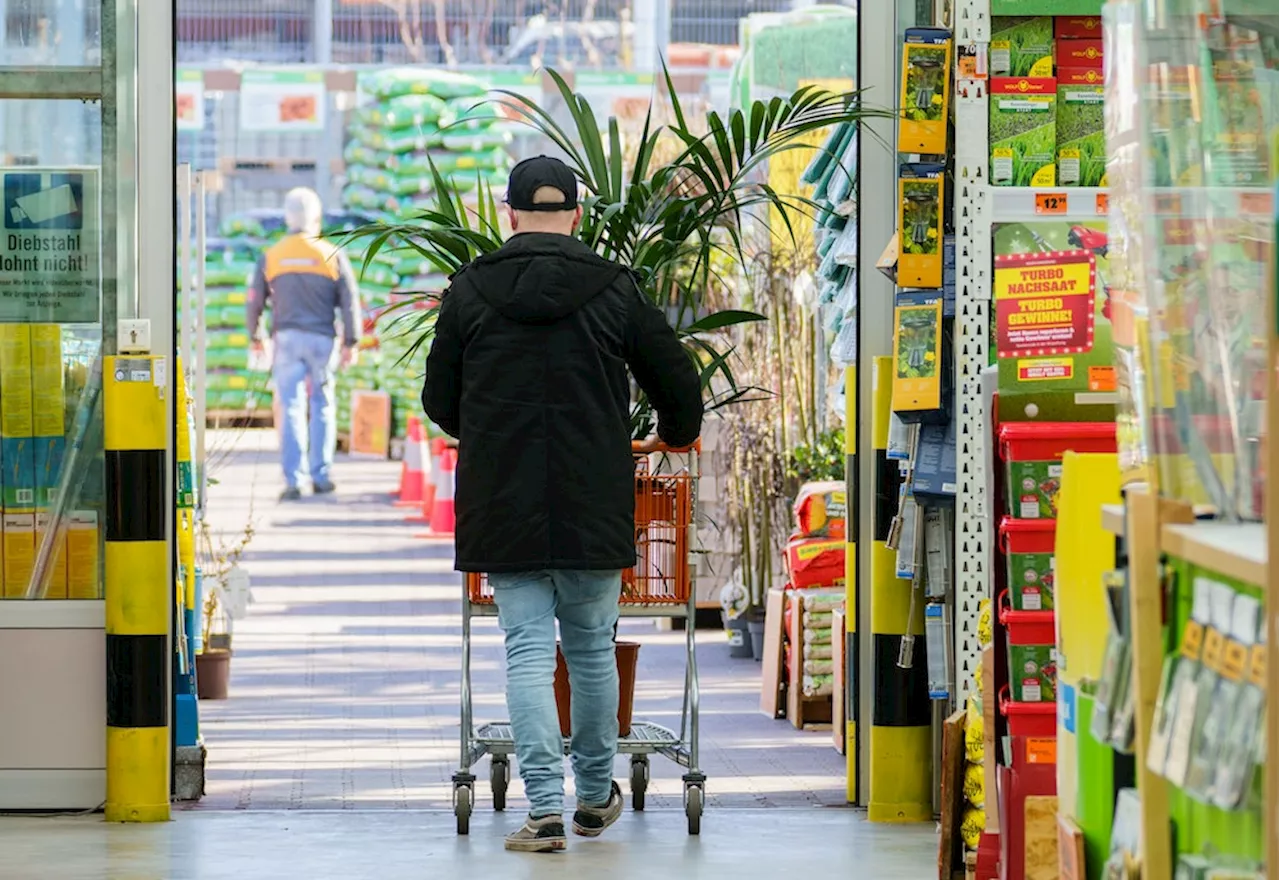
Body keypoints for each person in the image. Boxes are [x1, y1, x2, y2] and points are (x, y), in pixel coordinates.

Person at [423, 155, 703, 853]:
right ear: (577, 215)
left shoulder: (470, 290)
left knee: (524, 651)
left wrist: (483, 431)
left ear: (509, 213)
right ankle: (592, 799)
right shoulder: (615, 289)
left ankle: (543, 809)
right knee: (589, 651)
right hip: (592, 498)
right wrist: (673, 433)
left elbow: (438, 400)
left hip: (504, 499)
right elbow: (678, 383)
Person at [247, 187, 361, 501]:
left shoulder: (272, 255)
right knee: (322, 404)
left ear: (288, 217)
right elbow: (350, 300)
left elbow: (255, 299)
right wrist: (352, 341)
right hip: (323, 339)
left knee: (290, 406)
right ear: (317, 218)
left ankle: (293, 480)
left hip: (286, 338)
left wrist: (256, 336)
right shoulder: (331, 254)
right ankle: (321, 475)